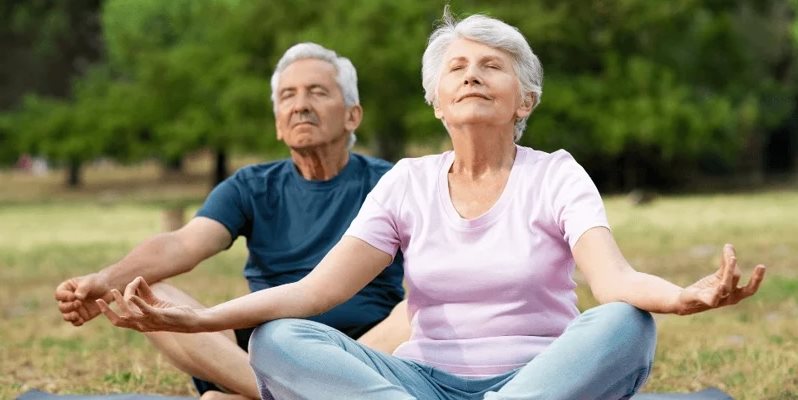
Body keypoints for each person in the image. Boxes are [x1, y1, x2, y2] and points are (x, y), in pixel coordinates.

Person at [96, 10, 767, 400]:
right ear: (437, 100)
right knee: (278, 340)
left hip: (538, 379)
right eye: (456, 66)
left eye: (492, 65)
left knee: (625, 324)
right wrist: (203, 318)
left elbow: (613, 280)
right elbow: (313, 293)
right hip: (419, 385)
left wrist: (683, 296)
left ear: (524, 99)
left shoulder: (557, 175)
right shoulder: (407, 183)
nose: (472, 72)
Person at [54, 42, 409, 400]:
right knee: (151, 292)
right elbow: (183, 244)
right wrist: (104, 281)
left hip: (368, 348)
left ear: (352, 115)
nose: (300, 105)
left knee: (419, 309)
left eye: (317, 92)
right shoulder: (251, 186)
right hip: (267, 352)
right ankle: (292, 393)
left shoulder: (394, 182)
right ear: (278, 123)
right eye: (288, 95)